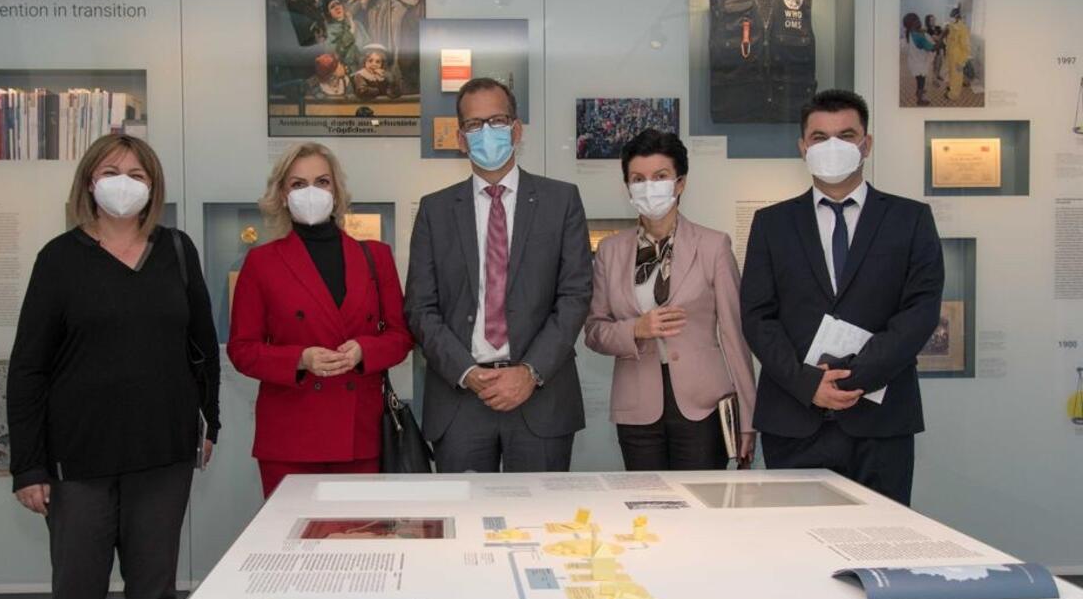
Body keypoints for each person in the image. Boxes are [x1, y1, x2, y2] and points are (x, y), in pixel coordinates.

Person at [7, 134, 221, 599]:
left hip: (163, 458)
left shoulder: (177, 251)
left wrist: (211, 424)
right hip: (78, 464)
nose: (123, 183)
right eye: (110, 171)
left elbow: (203, 346)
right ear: (88, 181)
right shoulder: (59, 258)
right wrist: (28, 466)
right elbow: (27, 368)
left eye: (137, 174)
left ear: (153, 186)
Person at [739, 90, 944, 505]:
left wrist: (853, 378)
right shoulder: (771, 224)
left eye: (846, 135)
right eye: (819, 137)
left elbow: (920, 312)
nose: (832, 146)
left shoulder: (910, 219)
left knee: (881, 536)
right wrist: (809, 383)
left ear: (866, 144)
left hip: (880, 421)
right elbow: (758, 317)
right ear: (803, 147)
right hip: (794, 417)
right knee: (794, 538)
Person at [405, 77, 593, 472]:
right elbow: (421, 308)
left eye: (497, 121)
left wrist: (530, 372)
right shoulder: (435, 211)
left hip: (540, 397)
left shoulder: (561, 201)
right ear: (461, 139)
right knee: (465, 511)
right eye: (474, 125)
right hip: (460, 400)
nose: (487, 132)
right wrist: (467, 372)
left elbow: (575, 296)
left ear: (516, 129)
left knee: (541, 510)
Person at [227, 142, 413, 497]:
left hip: (360, 435)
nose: (311, 192)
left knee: (359, 531)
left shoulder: (376, 257)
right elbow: (242, 349)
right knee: (294, 533)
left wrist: (364, 350)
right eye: (298, 184)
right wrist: (300, 359)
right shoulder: (261, 263)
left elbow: (401, 336)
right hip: (290, 438)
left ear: (336, 191)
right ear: (283, 195)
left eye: (322, 182)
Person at [584, 129, 756, 470]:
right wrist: (635, 329)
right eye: (638, 179)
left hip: (703, 404)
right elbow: (594, 331)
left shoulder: (713, 245)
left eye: (660, 176)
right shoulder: (610, 251)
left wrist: (748, 417)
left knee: (700, 500)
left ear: (680, 183)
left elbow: (735, 337)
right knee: (646, 499)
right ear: (628, 187)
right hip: (636, 405)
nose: (649, 187)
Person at [902, 13, 936, 106]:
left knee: (919, 79)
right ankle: (920, 100)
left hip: (914, 62)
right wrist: (944, 35)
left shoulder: (911, 33)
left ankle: (918, 91)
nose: (920, 21)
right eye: (918, 20)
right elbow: (933, 48)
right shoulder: (919, 37)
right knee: (921, 81)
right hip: (919, 65)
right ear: (913, 24)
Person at [944, 7, 972, 102]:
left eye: (952, 16)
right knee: (951, 75)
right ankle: (951, 88)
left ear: (957, 16)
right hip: (951, 57)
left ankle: (954, 95)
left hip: (958, 58)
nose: (950, 17)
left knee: (957, 77)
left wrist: (961, 62)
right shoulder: (952, 26)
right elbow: (950, 41)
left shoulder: (963, 29)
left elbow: (966, 48)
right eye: (950, 15)